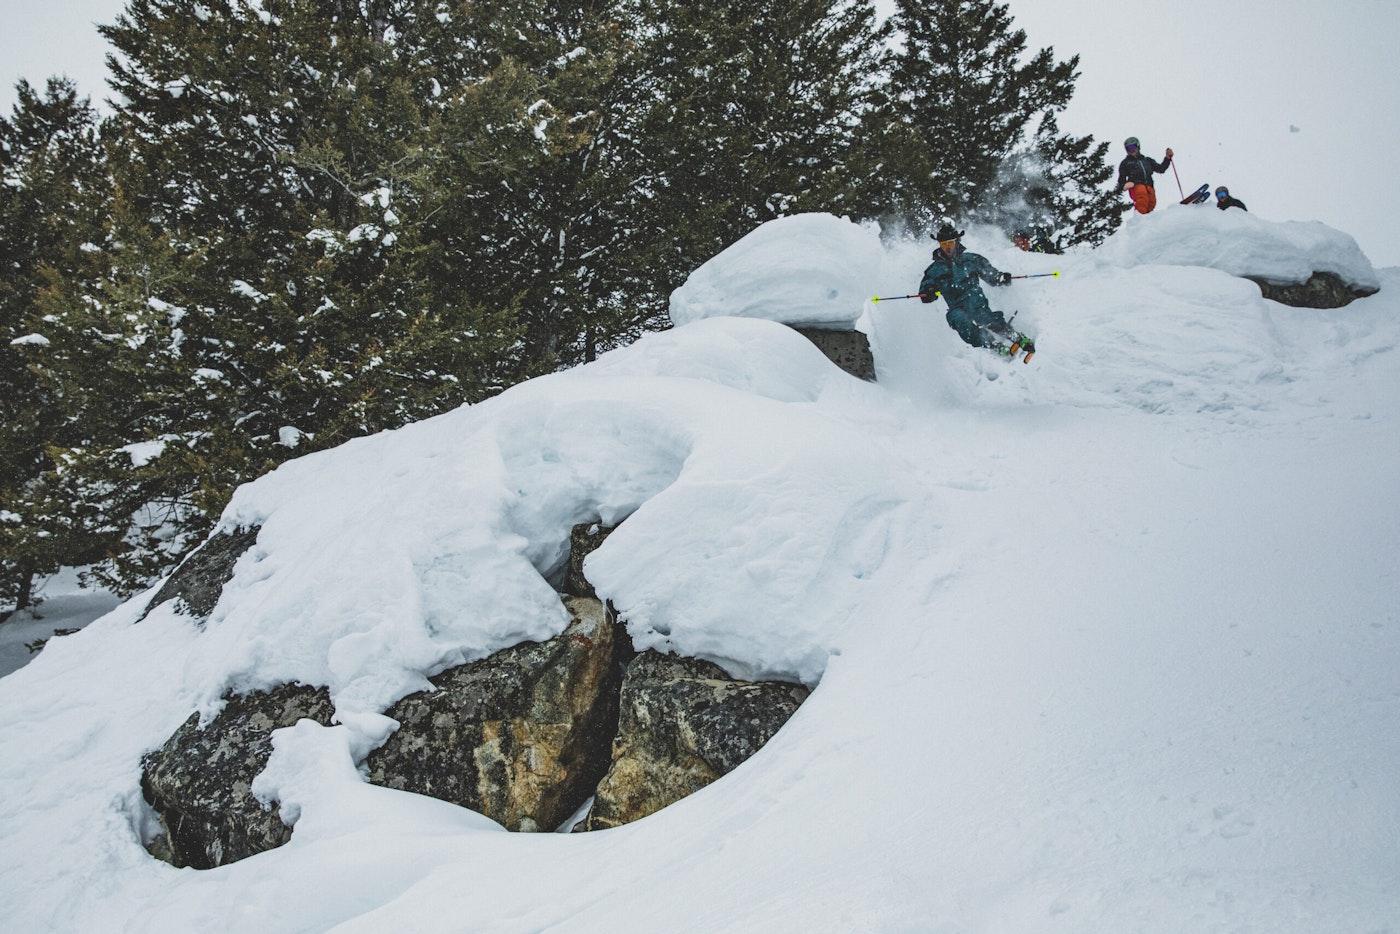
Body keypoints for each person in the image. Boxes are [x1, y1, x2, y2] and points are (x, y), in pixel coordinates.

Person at [920, 223, 1020, 353]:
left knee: (987, 319)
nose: (948, 247)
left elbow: (991, 275)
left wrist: (1001, 278)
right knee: (961, 321)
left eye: (950, 243)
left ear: (957, 241)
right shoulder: (934, 270)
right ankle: (993, 344)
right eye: (944, 244)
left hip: (977, 304)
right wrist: (929, 293)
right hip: (957, 308)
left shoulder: (971, 260)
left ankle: (1016, 337)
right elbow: (924, 293)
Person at [1116, 136, 1174, 215]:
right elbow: (1121, 179)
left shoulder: (1147, 160)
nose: (1131, 150)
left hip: (1149, 186)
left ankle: (1149, 219)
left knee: (1151, 202)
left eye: (1133, 147)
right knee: (1142, 200)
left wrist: (1167, 158)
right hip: (1136, 185)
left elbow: (1161, 169)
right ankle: (1140, 218)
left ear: (1138, 146)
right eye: (1128, 149)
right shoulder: (1126, 163)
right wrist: (1125, 185)